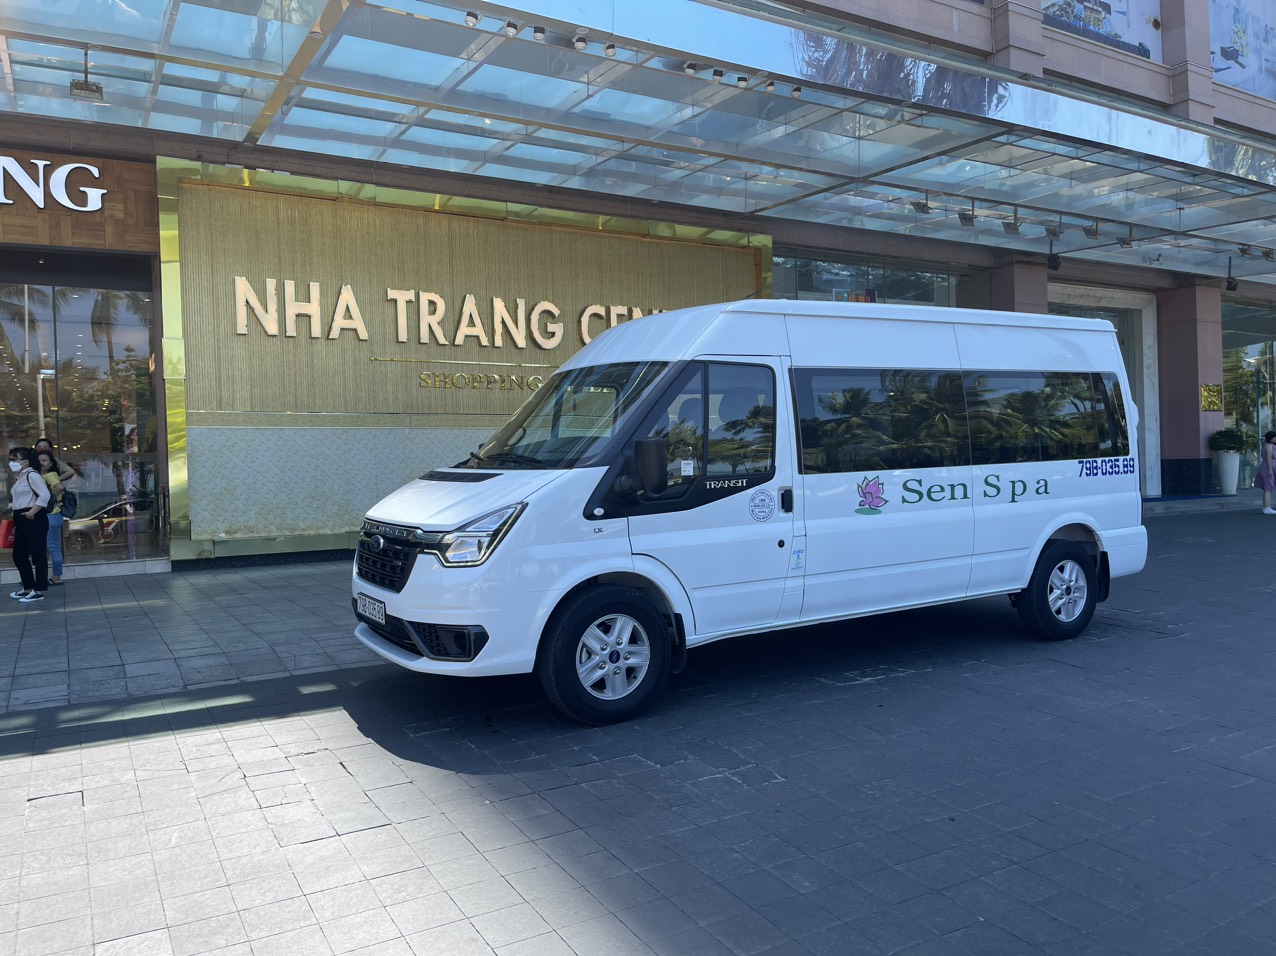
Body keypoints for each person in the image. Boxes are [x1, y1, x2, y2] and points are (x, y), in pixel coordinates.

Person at [8, 447, 51, 603]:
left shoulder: (32, 475)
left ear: (25, 461)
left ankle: (38, 590)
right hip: (21, 517)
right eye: (11, 459)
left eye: (14, 459)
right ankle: (28, 587)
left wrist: (32, 512)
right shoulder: (20, 476)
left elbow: (45, 495)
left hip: (33, 517)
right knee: (19, 555)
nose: (12, 462)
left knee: (38, 555)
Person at [36, 450, 66, 585]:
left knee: (53, 547)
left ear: (50, 463)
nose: (41, 463)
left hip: (51, 515)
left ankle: (57, 576)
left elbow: (59, 487)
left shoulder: (50, 475)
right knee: (46, 547)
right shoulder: (40, 476)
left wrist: (48, 499)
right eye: (39, 461)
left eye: (45, 460)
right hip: (50, 515)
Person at [1257, 431, 1276, 515]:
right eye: (1274, 437)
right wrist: (1270, 470)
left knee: (1268, 488)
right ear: (1270, 438)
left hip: (1269, 467)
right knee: (1268, 488)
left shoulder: (1271, 446)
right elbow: (1268, 459)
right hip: (1268, 468)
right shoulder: (1269, 447)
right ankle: (1266, 507)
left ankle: (1266, 507)